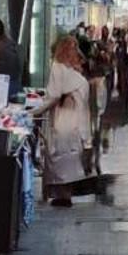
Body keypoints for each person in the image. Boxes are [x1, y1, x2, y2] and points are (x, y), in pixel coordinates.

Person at [35, 33, 91, 207]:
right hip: (75, 122)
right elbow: (83, 107)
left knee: (57, 158)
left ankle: (59, 196)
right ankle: (65, 195)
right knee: (69, 160)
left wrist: (35, 111)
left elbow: (53, 96)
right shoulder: (79, 77)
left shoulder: (57, 68)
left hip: (61, 121)